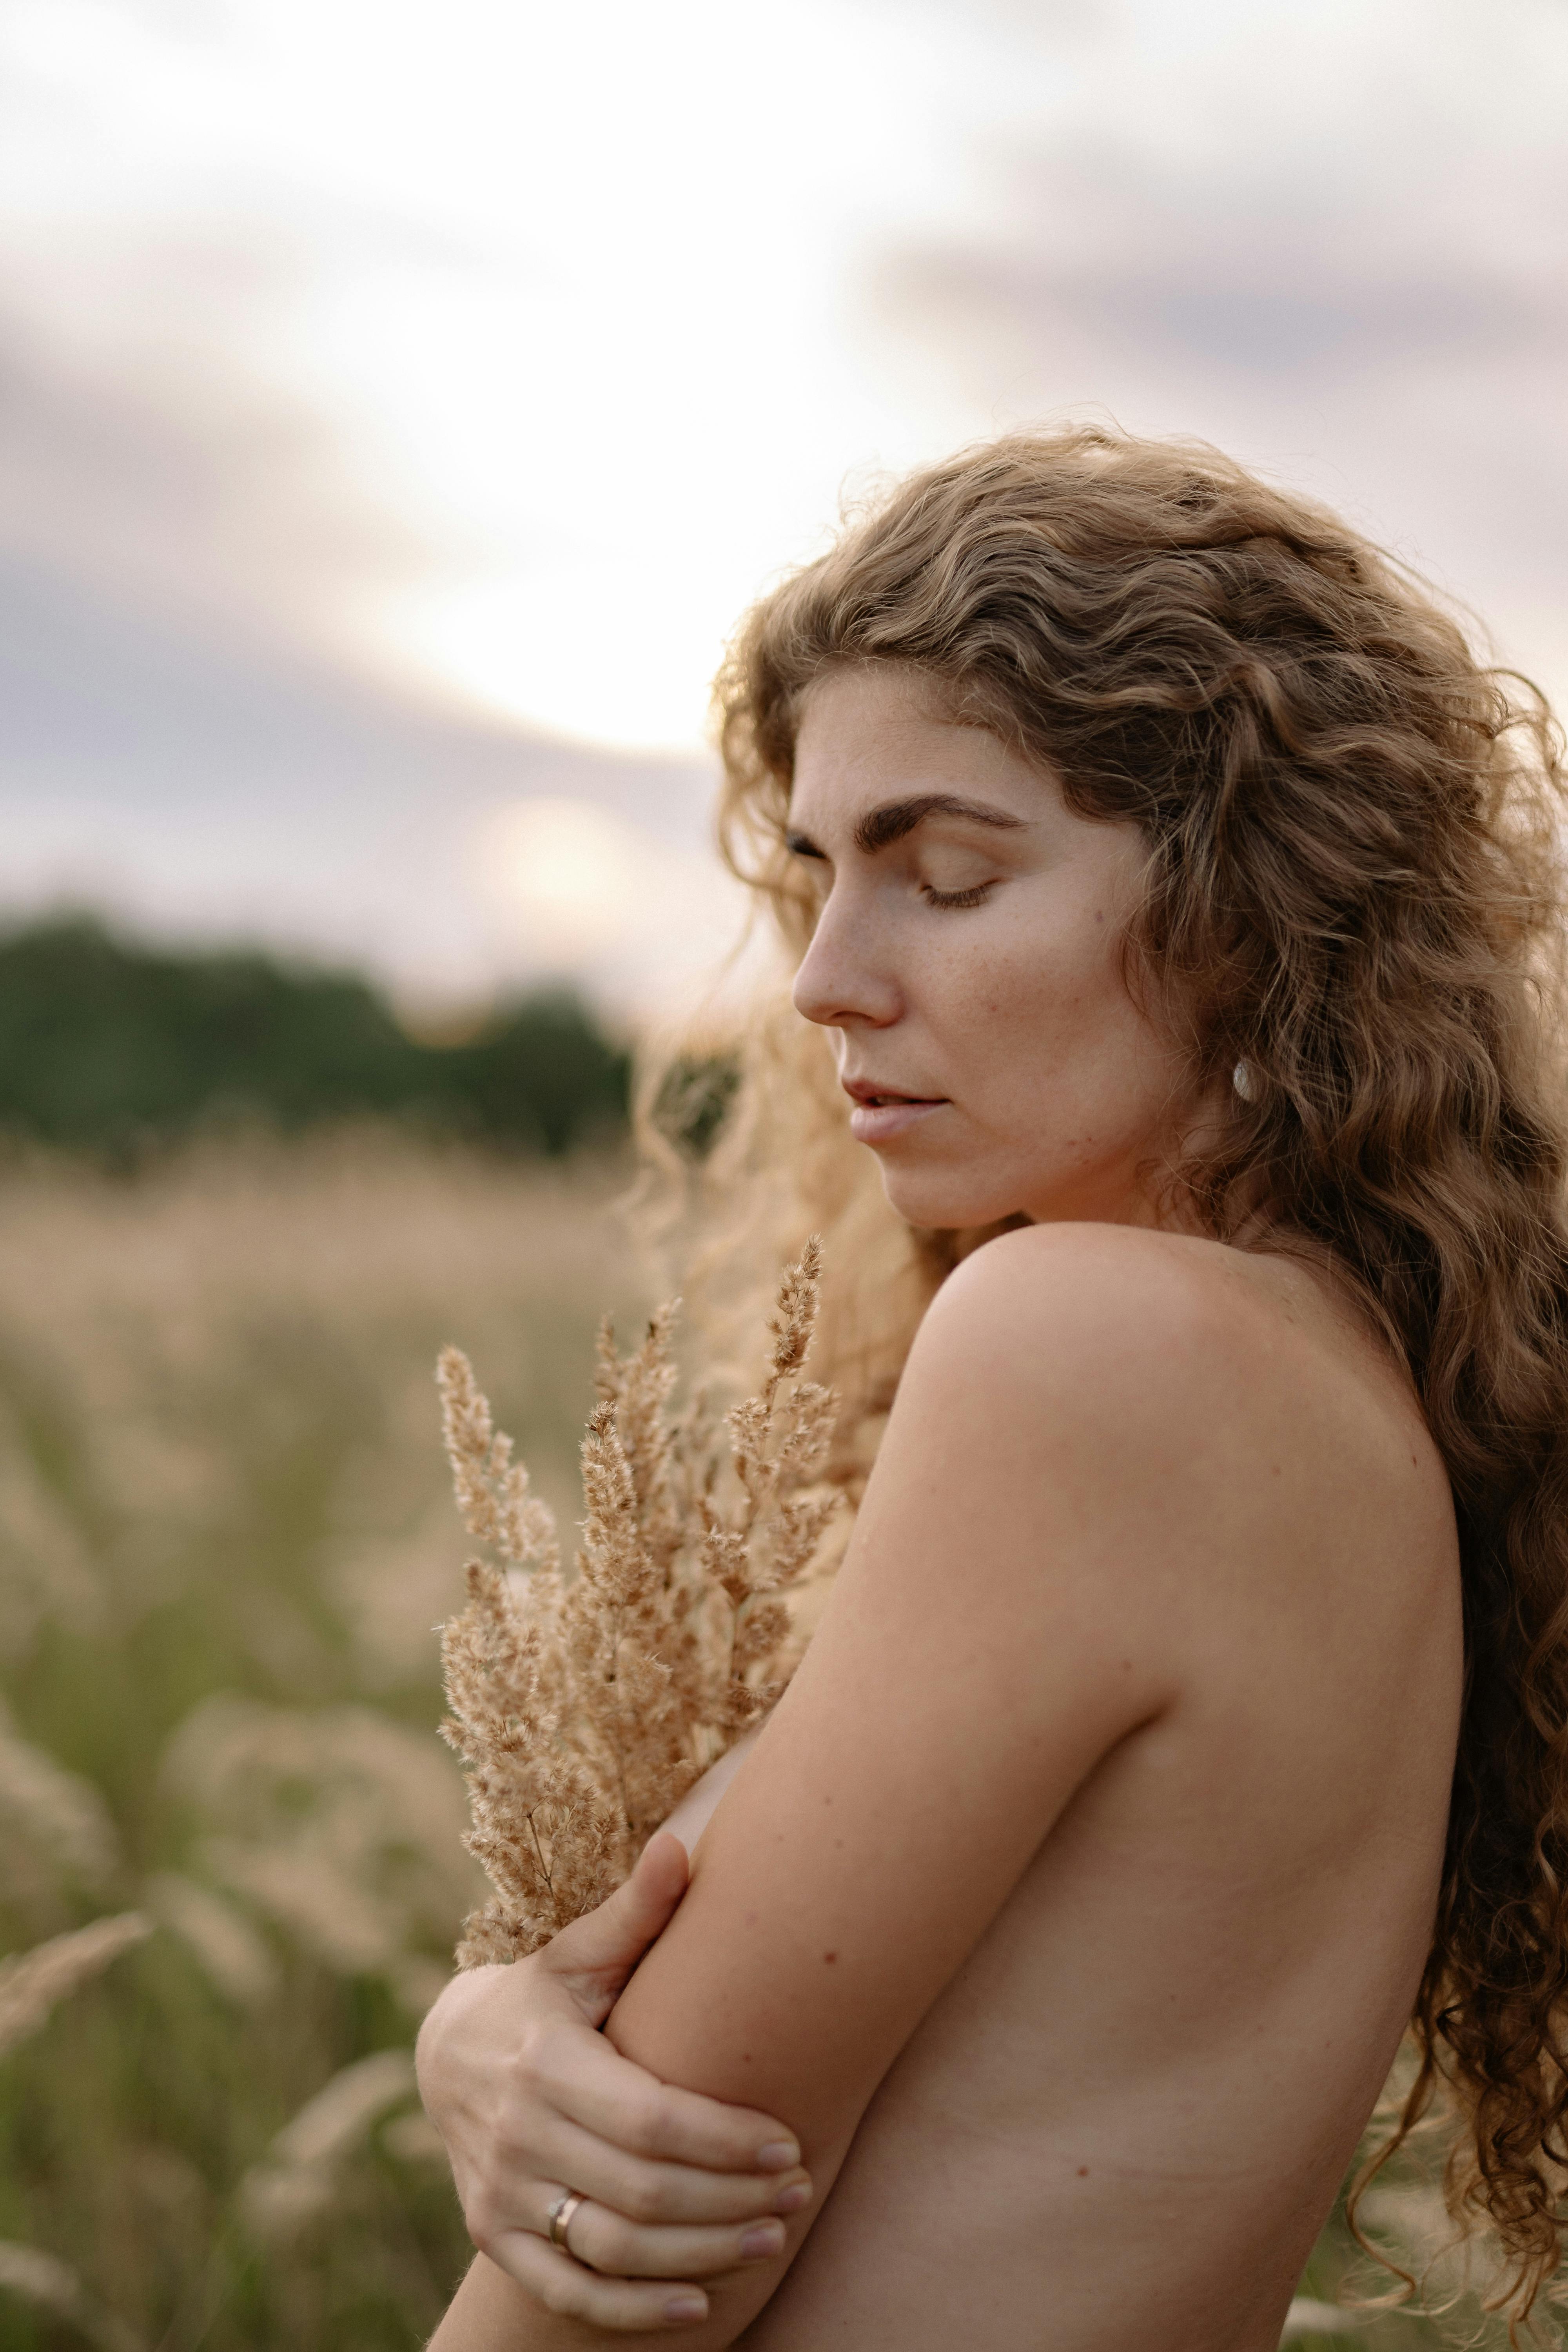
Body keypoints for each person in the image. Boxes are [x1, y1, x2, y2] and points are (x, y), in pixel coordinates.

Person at [415, 426, 1568, 2349]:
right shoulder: (1338, 1379)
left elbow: (642, 2243)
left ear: (1246, 910)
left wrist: (546, 2097)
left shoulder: (1097, 1349)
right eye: (820, 880)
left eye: (942, 876)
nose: (824, 983)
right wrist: (493, 2033)